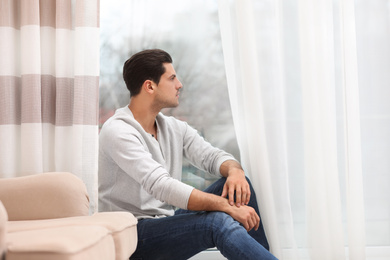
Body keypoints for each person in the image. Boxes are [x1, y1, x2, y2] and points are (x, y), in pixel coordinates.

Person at [98, 49, 278, 260]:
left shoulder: (173, 127)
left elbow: (212, 157)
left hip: (162, 222)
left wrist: (235, 172)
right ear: (150, 86)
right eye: (172, 78)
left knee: (238, 187)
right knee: (216, 223)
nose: (179, 84)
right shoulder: (118, 131)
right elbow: (162, 186)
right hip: (132, 234)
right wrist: (226, 207)